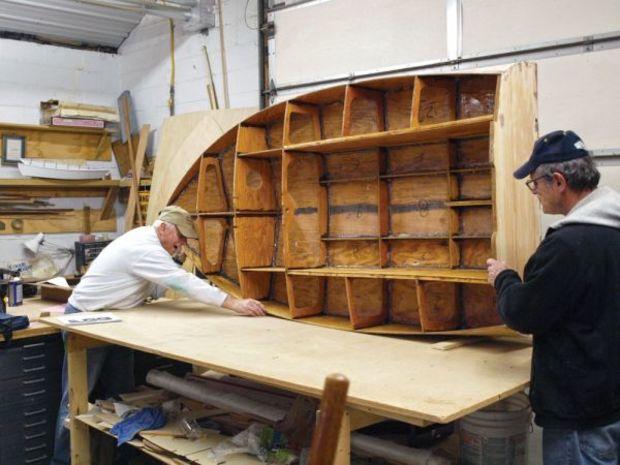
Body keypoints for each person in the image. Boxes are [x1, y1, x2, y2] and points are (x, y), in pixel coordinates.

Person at [51, 205, 266, 465]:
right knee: (74, 400)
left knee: (123, 398)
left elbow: (158, 285)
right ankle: (62, 461)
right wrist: (233, 303)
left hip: (114, 321)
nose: (182, 244)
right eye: (180, 237)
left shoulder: (151, 242)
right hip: (85, 319)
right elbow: (180, 282)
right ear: (163, 227)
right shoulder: (144, 247)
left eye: (186, 239)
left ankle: (124, 459)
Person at [486, 130, 620, 464]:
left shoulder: (567, 246)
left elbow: (523, 314)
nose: (534, 193)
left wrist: (503, 278)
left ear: (558, 181)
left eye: (534, 184)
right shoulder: (612, 230)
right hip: (611, 400)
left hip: (580, 412)